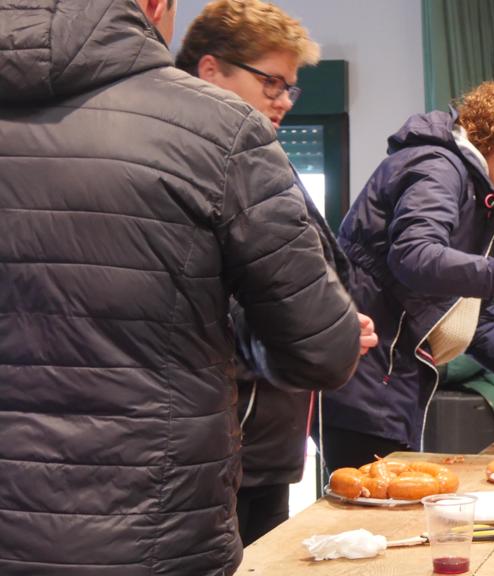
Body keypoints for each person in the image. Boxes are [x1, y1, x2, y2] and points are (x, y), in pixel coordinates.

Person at [0, 0, 363, 573]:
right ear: (155, 6)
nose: (283, 99)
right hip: (154, 534)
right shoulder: (215, 128)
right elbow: (322, 350)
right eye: (271, 82)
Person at [175, 0, 378, 546]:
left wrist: (327, 324)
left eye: (290, 87)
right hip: (221, 438)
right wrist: (307, 330)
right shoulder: (186, 160)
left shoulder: (254, 154)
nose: (284, 100)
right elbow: (202, 303)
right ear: (210, 69)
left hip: (261, 436)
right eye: (271, 83)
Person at [320, 74, 494, 470]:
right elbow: (414, 256)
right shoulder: (435, 164)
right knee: (371, 513)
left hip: (400, 379)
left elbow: (474, 322)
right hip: (360, 373)